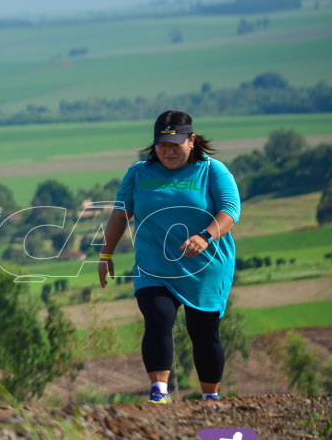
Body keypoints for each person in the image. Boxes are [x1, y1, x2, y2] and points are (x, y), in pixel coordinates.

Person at [98, 110, 240, 404]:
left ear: (191, 140)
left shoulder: (212, 170)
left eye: (175, 144)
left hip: (205, 266)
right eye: (162, 145)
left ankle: (210, 396)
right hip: (155, 267)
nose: (168, 151)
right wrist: (106, 253)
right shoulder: (139, 173)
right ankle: (159, 391)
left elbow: (230, 211)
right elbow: (120, 214)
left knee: (203, 332)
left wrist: (206, 235)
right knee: (158, 316)